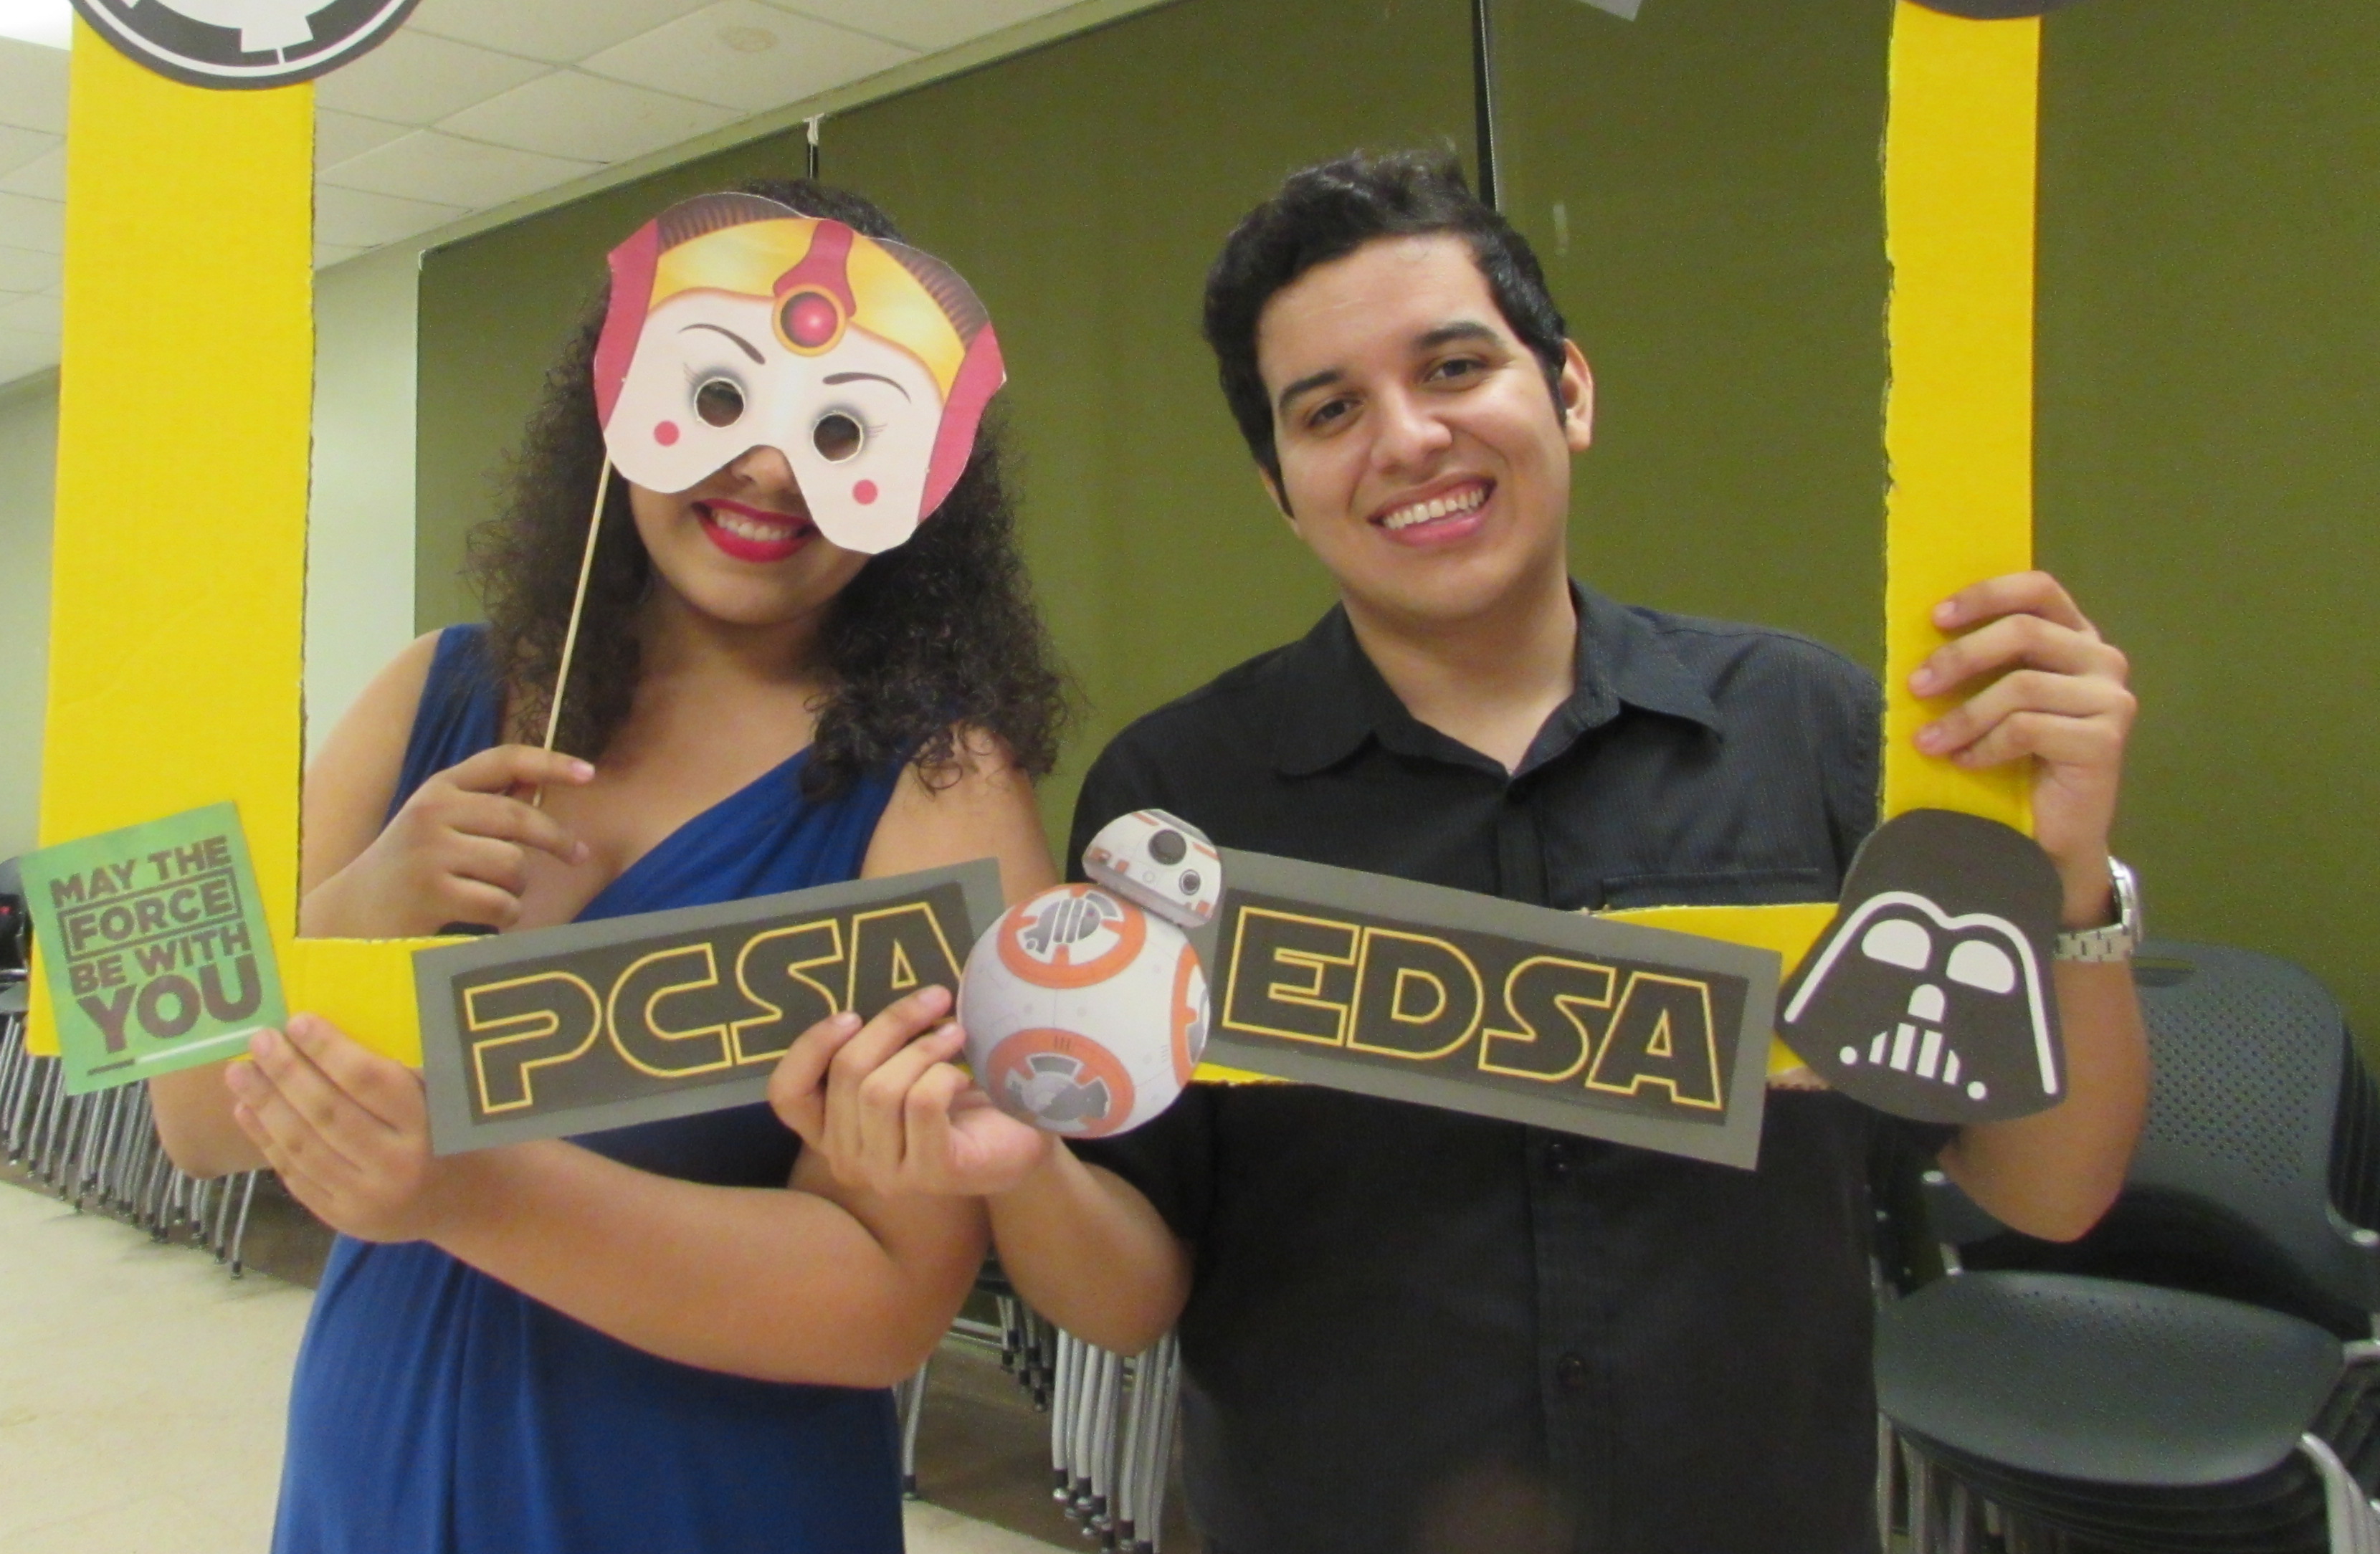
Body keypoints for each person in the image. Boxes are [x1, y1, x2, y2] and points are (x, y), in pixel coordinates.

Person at [773, 150, 2147, 1554]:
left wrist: (2067, 886)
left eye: (1451, 368)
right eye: (1327, 411)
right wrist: (1014, 1166)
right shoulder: (1175, 808)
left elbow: (2046, 1186)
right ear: (1279, 486)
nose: (1408, 439)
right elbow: (1132, 1293)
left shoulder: (1810, 732)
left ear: (1569, 390)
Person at [149, 178, 1062, 1554]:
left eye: (836, 427)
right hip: (375, 1471)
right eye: (719, 396)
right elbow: (193, 1119)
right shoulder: (428, 692)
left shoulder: (945, 784)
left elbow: (888, 1301)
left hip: (701, 1500)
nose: (764, 470)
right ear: (625, 393)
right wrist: (366, 910)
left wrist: (461, 1186)